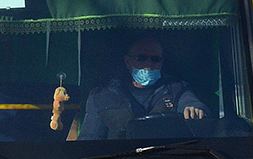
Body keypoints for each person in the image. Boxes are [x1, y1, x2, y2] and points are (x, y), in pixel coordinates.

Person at [78, 35, 208, 140]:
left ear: (162, 62)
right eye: (141, 58)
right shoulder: (103, 95)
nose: (149, 63)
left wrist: (195, 108)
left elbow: (190, 102)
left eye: (155, 59)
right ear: (128, 62)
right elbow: (89, 141)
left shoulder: (177, 88)